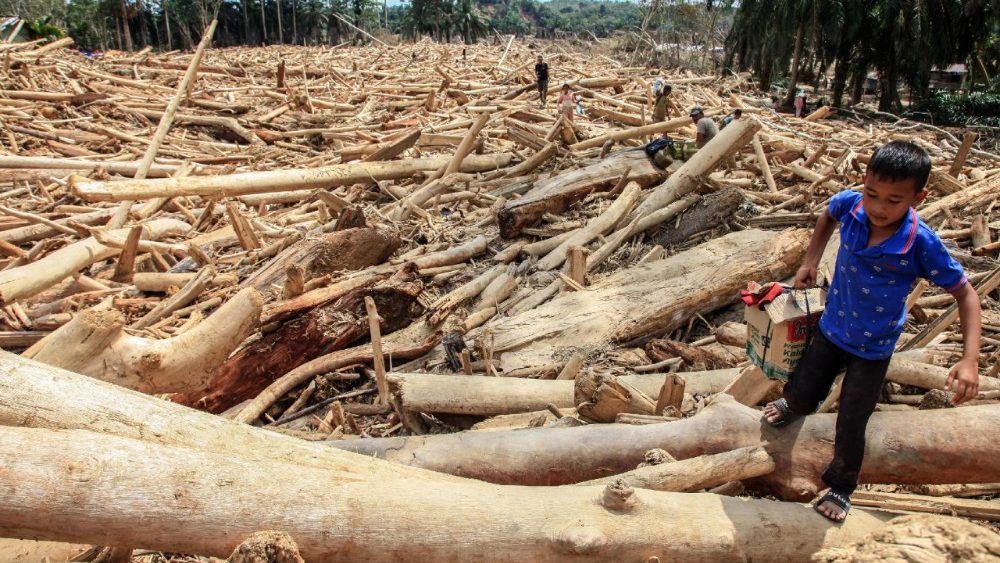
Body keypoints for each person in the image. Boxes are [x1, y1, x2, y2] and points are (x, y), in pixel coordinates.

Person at [762, 141, 982, 523]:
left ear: (919, 197)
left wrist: (970, 359)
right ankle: (794, 406)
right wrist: (811, 259)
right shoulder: (852, 205)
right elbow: (827, 214)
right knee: (805, 382)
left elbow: (966, 294)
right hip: (832, 326)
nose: (879, 207)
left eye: (894, 200)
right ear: (863, 182)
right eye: (872, 193)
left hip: (873, 348)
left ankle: (842, 485)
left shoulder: (921, 243)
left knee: (852, 417)